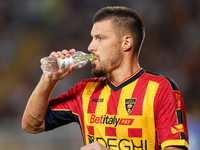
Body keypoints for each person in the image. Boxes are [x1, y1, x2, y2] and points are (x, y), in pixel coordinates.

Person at [22, 6, 189, 150]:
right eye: (92, 38)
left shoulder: (160, 88)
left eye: (100, 38)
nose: (90, 47)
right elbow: (31, 125)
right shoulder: (85, 91)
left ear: (126, 43)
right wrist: (48, 80)